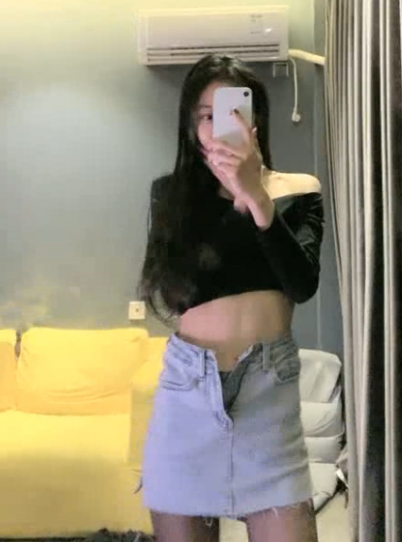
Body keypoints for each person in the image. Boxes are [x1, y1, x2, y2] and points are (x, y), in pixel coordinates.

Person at [138, 54, 324, 542]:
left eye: (234, 112)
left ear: (256, 120)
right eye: (207, 114)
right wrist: (226, 197)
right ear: (191, 125)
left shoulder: (299, 190)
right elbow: (177, 293)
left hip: (269, 395)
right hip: (187, 391)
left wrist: (256, 198)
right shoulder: (171, 196)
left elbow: (302, 284)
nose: (220, 124)